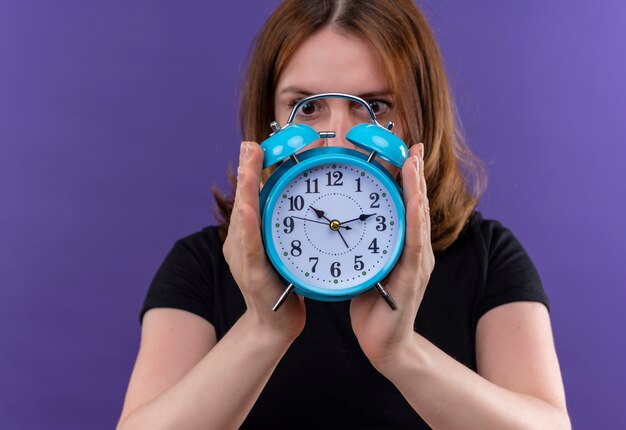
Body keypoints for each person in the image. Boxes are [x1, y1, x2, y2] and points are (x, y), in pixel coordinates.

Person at [117, 1, 570, 428]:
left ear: (417, 118)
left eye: (374, 107)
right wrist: (262, 329)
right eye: (308, 107)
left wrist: (401, 353)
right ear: (270, 119)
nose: (336, 137)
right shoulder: (200, 267)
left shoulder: (487, 258)